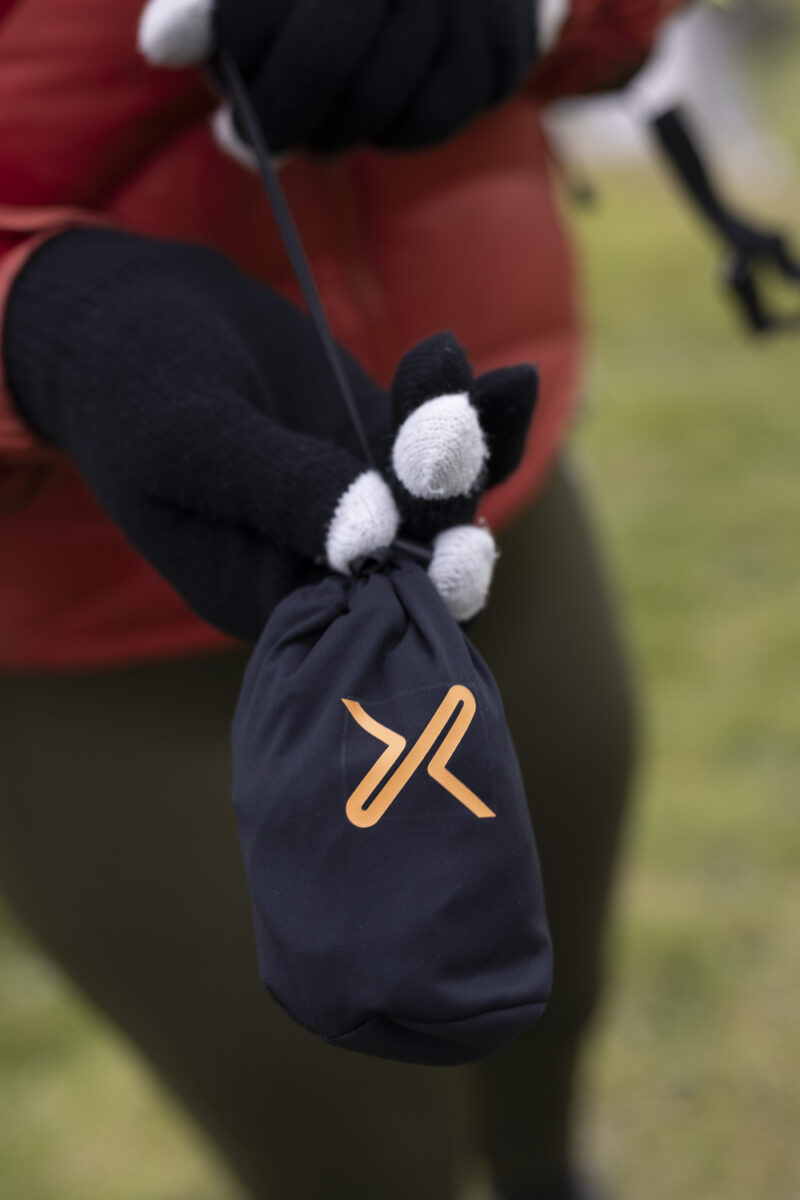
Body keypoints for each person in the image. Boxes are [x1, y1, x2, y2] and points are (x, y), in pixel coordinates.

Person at [0, 2, 682, 1197]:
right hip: (89, 632)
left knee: (541, 1027)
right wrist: (40, 322)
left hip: (467, 506)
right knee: (353, 1159)